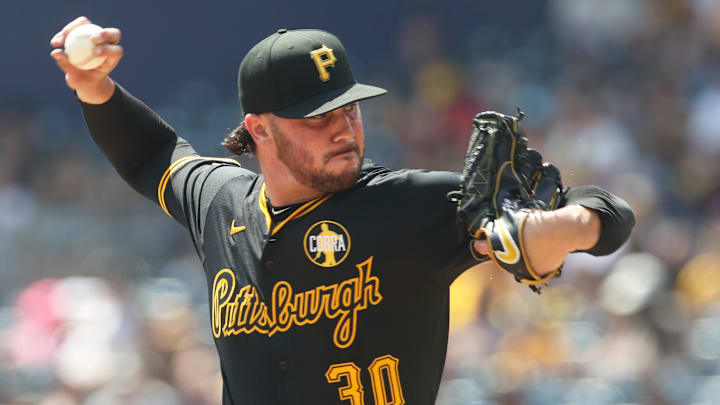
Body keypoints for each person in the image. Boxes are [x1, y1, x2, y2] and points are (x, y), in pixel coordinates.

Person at [50, 16, 634, 405]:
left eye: (349, 110)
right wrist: (94, 88)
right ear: (259, 130)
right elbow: (153, 155)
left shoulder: (415, 203)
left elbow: (612, 212)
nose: (343, 129)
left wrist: (569, 226)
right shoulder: (220, 202)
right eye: (317, 117)